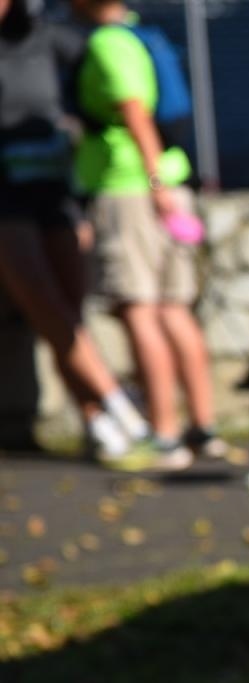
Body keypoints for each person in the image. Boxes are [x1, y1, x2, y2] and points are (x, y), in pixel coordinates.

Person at [71, 0, 223, 470]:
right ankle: (203, 427)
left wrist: (154, 183)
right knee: (174, 309)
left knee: (141, 309)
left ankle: (164, 435)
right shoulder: (141, 32)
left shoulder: (106, 42)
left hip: (130, 189)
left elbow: (134, 110)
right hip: (167, 183)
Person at [0, 0, 151, 462]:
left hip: (56, 192)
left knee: (69, 312)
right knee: (44, 303)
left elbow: (108, 60)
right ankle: (119, 407)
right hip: (4, 198)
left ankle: (97, 424)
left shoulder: (47, 38)